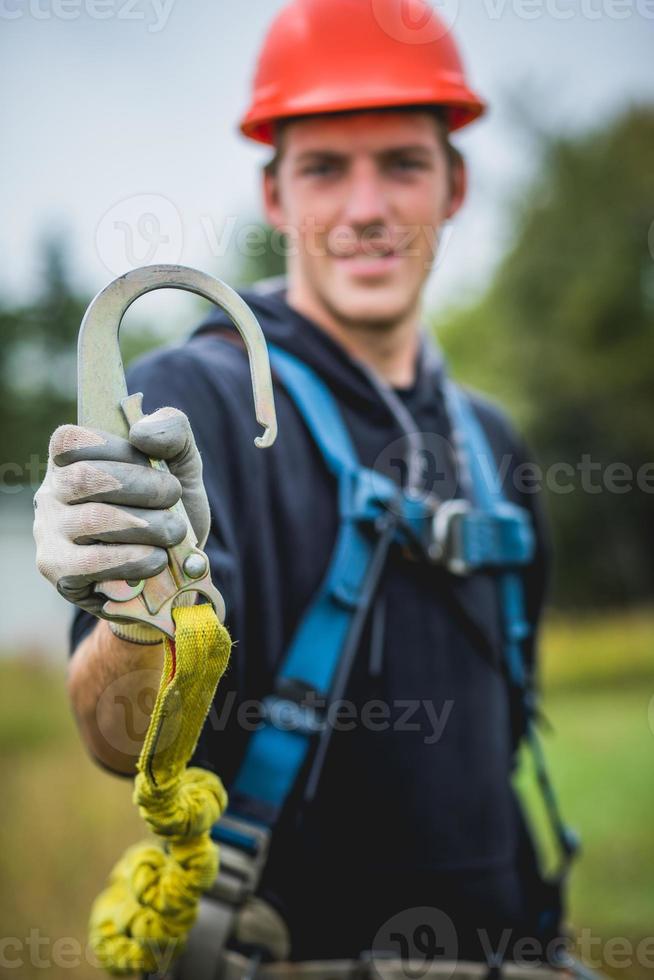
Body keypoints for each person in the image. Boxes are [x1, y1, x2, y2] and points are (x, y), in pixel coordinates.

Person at [34, 0, 570, 973]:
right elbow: (116, 742)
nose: (366, 206)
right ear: (275, 196)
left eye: (402, 163)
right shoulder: (192, 400)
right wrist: (132, 603)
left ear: (454, 185)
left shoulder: (492, 442)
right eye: (325, 167)